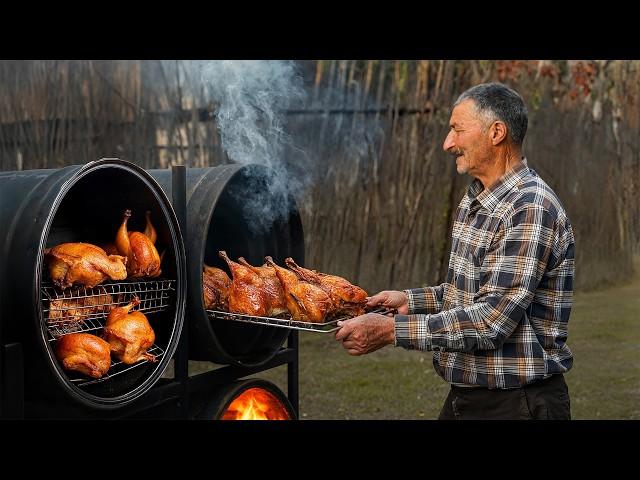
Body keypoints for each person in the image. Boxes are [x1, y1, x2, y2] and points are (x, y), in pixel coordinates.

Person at [335, 82, 574, 420]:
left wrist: (391, 331)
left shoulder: (529, 208)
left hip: (518, 403)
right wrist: (409, 300)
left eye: (457, 129)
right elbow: (469, 293)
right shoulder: (476, 199)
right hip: (469, 399)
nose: (448, 143)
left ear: (496, 132)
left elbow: (492, 320)